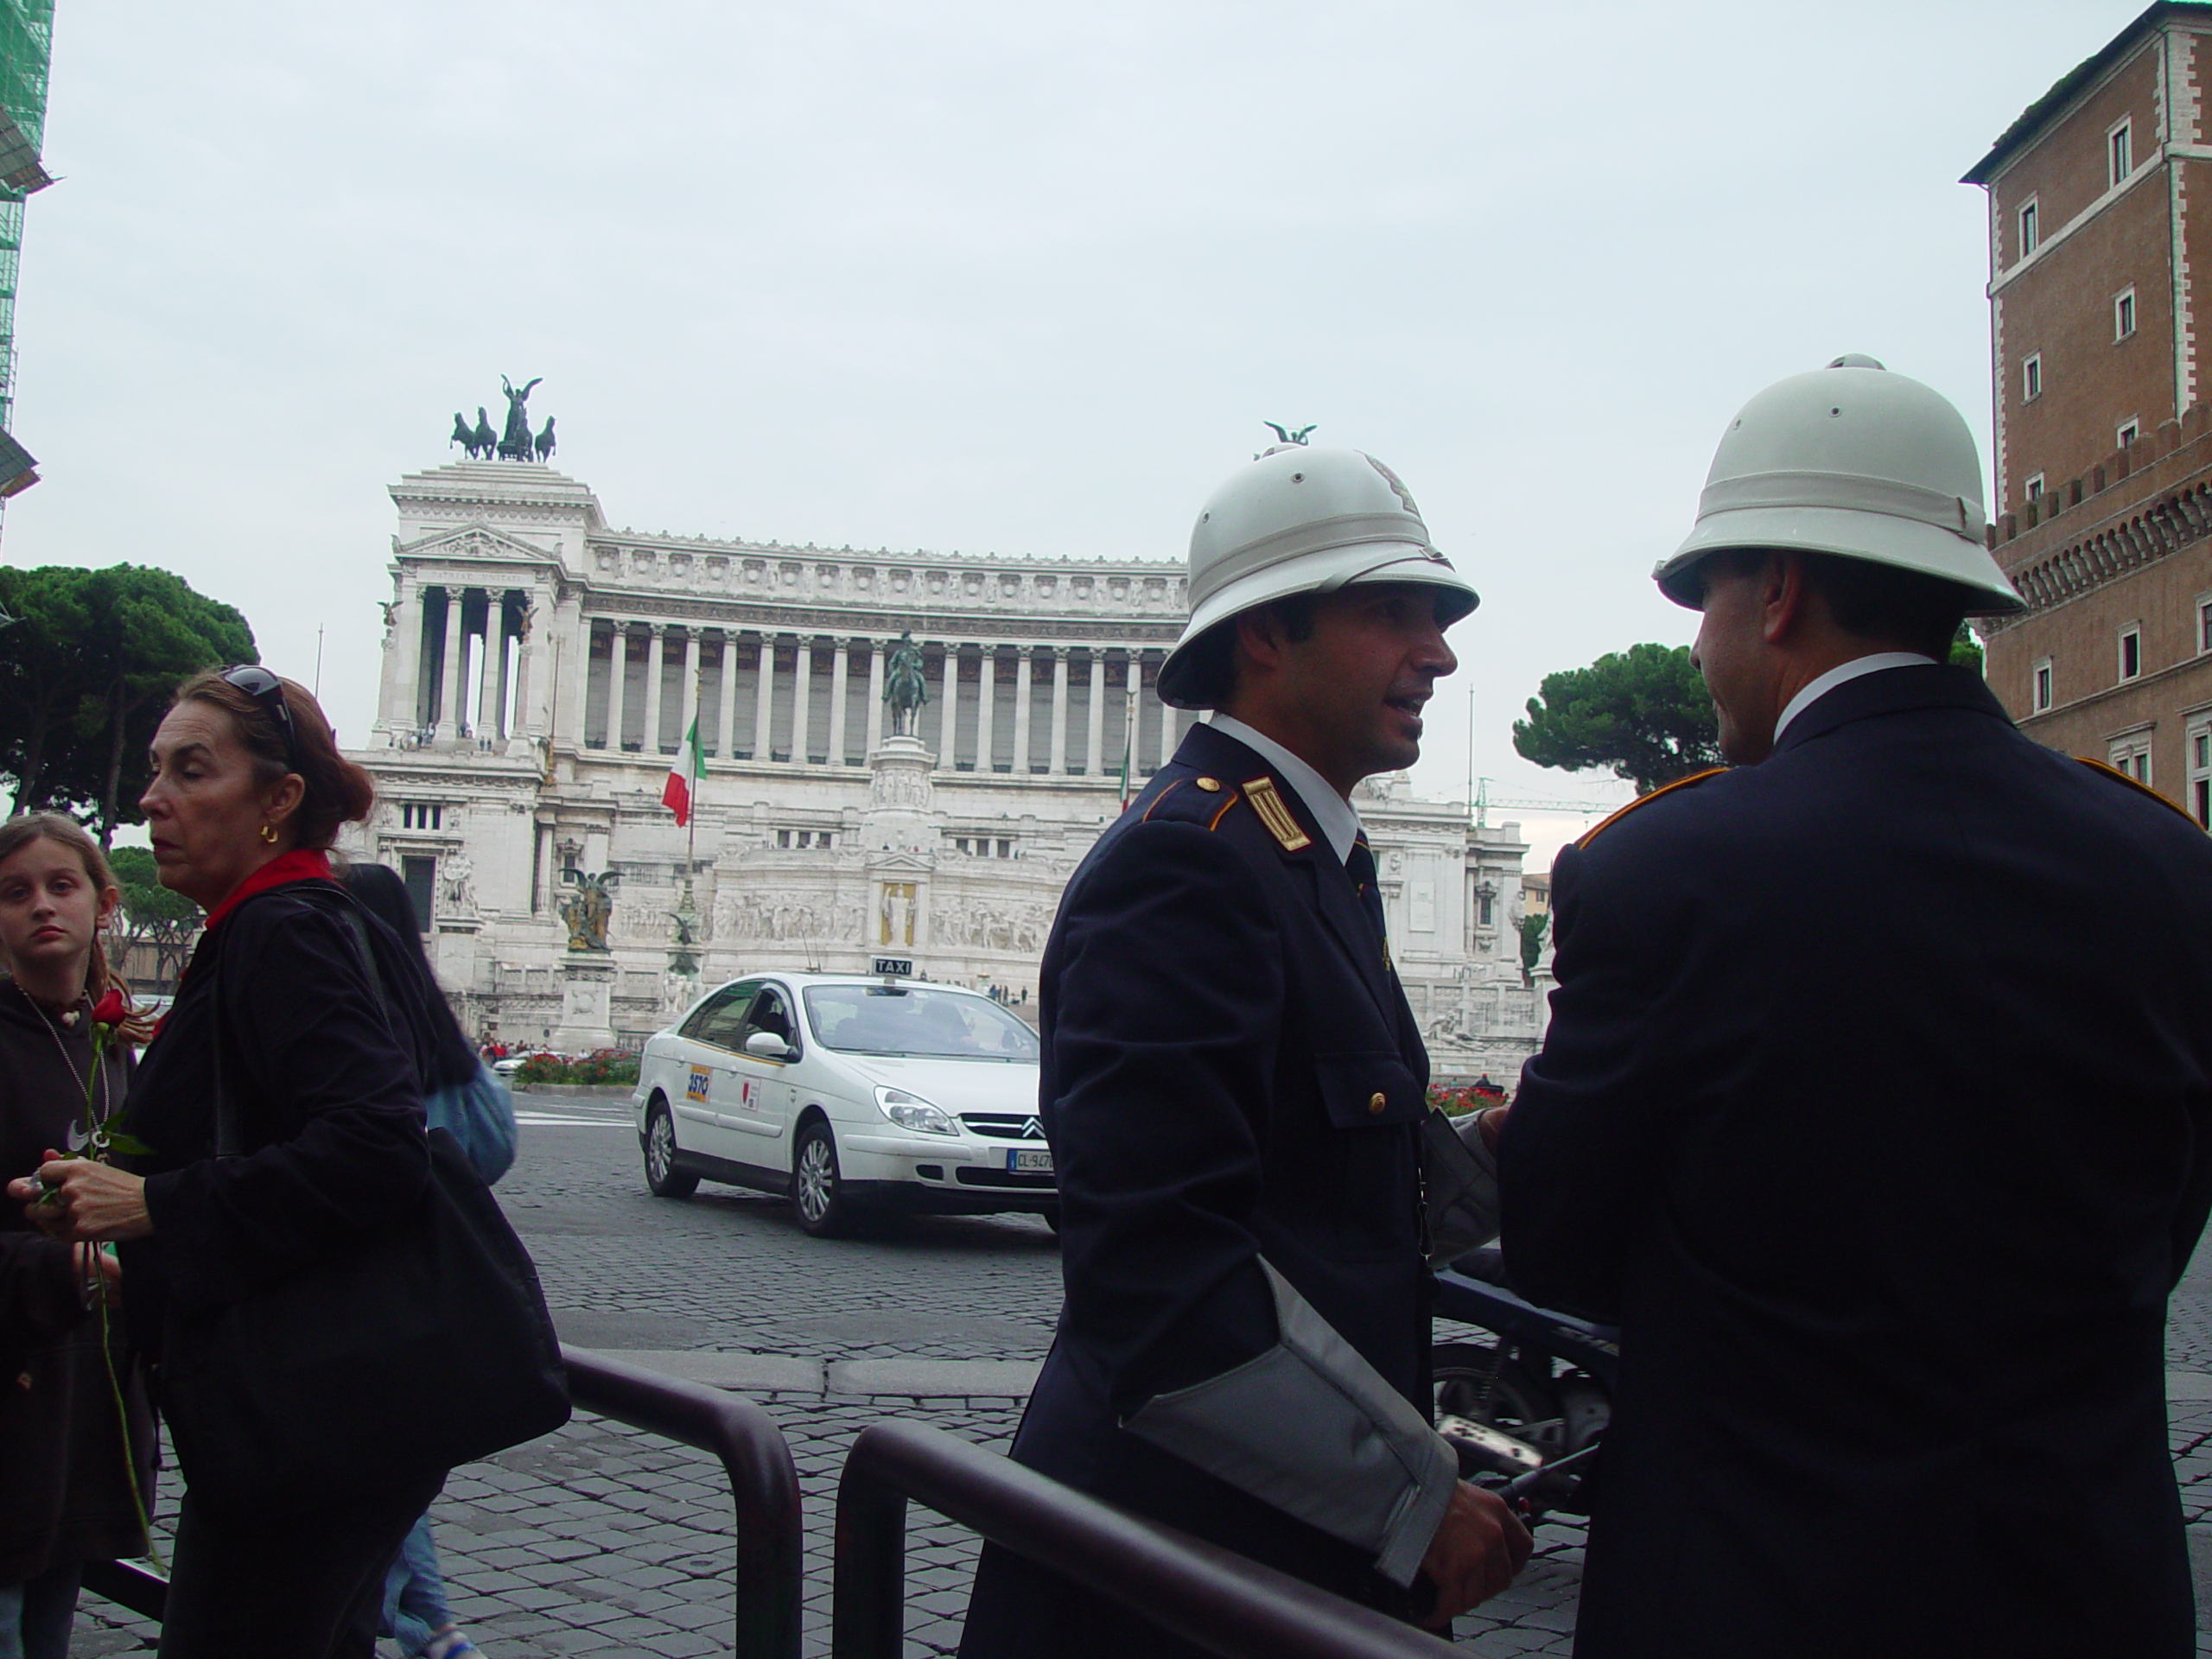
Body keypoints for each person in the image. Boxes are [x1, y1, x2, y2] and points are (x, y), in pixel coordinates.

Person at [1500, 356, 2212, 1658]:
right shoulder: (2168, 864)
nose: (1699, 643)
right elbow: (2166, 1225)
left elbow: (1557, 1245)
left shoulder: (1666, 870)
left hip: (1754, 1600)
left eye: (1702, 596)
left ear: (1775, 593)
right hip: (2084, 1601)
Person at [960, 442, 1529, 1658]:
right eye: (1395, 613)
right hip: (1169, 1573)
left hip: (1263, 1545)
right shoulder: (1190, 865)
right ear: (1267, 636)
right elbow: (1156, 1279)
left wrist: (1520, 1147)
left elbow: (1334, 1195)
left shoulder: (1298, 859)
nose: (1438, 652)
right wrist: (1412, 1506)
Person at [8, 666, 458, 1659]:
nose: (151, 798)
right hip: (316, 1412)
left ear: (278, 801)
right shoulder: (274, 924)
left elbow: (376, 1147)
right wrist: (95, 1198)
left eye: (190, 771)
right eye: (156, 770)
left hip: (304, 1419)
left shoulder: (284, 930)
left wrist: (151, 1205)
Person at [342, 861, 516, 1659]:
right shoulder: (442, 1045)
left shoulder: (343, 1039)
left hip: (351, 1309)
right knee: (396, 1487)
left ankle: (422, 1629)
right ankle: (436, 1630)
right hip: (436, 1304)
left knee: (369, 1491)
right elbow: (495, 1145)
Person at [0, 814, 156, 1659]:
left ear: (103, 905)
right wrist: (60, 1264)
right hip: (17, 1374)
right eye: (15, 893)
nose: (40, 908)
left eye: (61, 888)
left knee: (50, 1617)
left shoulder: (110, 1044)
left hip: (81, 1394)